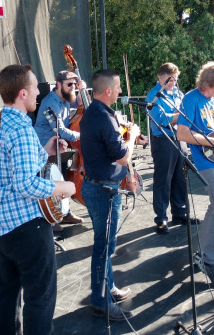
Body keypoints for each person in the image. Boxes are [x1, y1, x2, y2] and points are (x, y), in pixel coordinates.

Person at [0, 64, 76, 334]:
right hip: (25, 229)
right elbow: (25, 183)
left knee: (8, 296)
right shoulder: (21, 129)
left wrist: (45, 149)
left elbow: (10, 165)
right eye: (35, 87)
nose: (38, 92)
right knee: (40, 299)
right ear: (22, 93)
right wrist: (63, 187)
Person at [80, 69, 138, 321]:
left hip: (101, 186)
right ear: (107, 91)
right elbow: (123, 156)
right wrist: (133, 136)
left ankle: (109, 286)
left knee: (107, 244)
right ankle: (99, 300)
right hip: (102, 190)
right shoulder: (103, 117)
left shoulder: (96, 113)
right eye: (118, 88)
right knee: (103, 247)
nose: (121, 91)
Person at [177, 61, 214, 288]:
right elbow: (182, 133)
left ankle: (204, 252)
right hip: (205, 161)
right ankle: (210, 261)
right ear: (208, 84)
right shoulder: (191, 99)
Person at [34, 70, 87, 229]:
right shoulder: (50, 102)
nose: (72, 87)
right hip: (45, 146)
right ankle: (50, 215)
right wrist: (83, 136)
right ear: (58, 84)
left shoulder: (65, 98)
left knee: (61, 178)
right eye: (69, 84)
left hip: (59, 146)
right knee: (49, 180)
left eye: (74, 85)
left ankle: (65, 213)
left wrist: (81, 90)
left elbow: (79, 104)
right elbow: (62, 130)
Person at [145, 62, 188, 234]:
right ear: (160, 77)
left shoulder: (177, 93)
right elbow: (161, 119)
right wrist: (181, 116)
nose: (173, 83)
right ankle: (161, 217)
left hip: (180, 138)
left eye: (175, 80)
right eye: (170, 80)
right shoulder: (153, 95)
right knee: (163, 180)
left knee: (180, 178)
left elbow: (186, 110)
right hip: (163, 140)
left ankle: (179, 212)